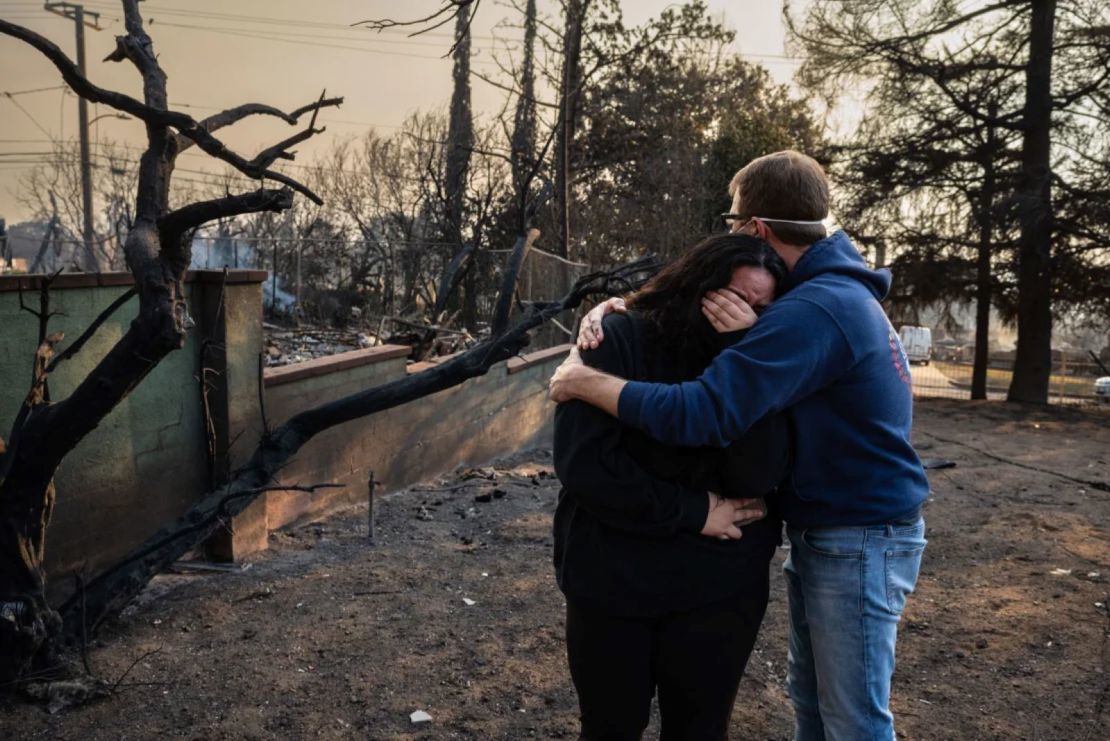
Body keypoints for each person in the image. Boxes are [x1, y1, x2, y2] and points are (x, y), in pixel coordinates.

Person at [550, 150, 929, 741]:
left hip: (857, 534)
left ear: (755, 227)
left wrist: (585, 381)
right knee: (818, 704)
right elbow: (588, 460)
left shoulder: (813, 308)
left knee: (851, 719)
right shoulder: (825, 293)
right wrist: (616, 311)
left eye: (732, 223)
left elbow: (705, 412)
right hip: (842, 529)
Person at [554, 233, 791, 741]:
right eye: (731, 298)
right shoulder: (619, 337)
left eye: (758, 307)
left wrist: (740, 351)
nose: (741, 313)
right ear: (697, 284)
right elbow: (586, 466)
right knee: (609, 727)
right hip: (613, 580)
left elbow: (755, 475)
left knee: (700, 731)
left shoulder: (761, 359)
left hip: (717, 590)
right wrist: (692, 510)